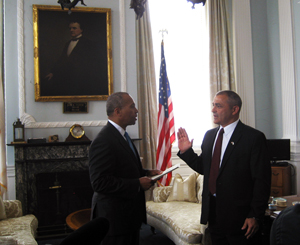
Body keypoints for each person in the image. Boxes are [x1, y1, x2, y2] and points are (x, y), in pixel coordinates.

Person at [177, 90, 271, 245]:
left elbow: (262, 180)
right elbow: (205, 168)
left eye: (218, 106)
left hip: (240, 217)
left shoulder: (253, 138)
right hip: (213, 214)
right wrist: (186, 152)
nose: (213, 109)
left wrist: (255, 215)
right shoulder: (209, 136)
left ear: (234, 110)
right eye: (213, 105)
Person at [89, 92, 161, 245]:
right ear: (117, 111)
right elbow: (99, 182)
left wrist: (147, 173)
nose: (136, 111)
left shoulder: (122, 135)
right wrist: (137, 184)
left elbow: (124, 169)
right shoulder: (103, 140)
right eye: (132, 107)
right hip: (114, 221)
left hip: (128, 218)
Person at [43, 20, 107, 96]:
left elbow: (94, 63)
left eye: (74, 28)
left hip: (82, 79)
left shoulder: (89, 44)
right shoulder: (67, 43)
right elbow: (62, 60)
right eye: (70, 28)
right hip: (67, 78)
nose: (71, 30)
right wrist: (52, 72)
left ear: (81, 30)